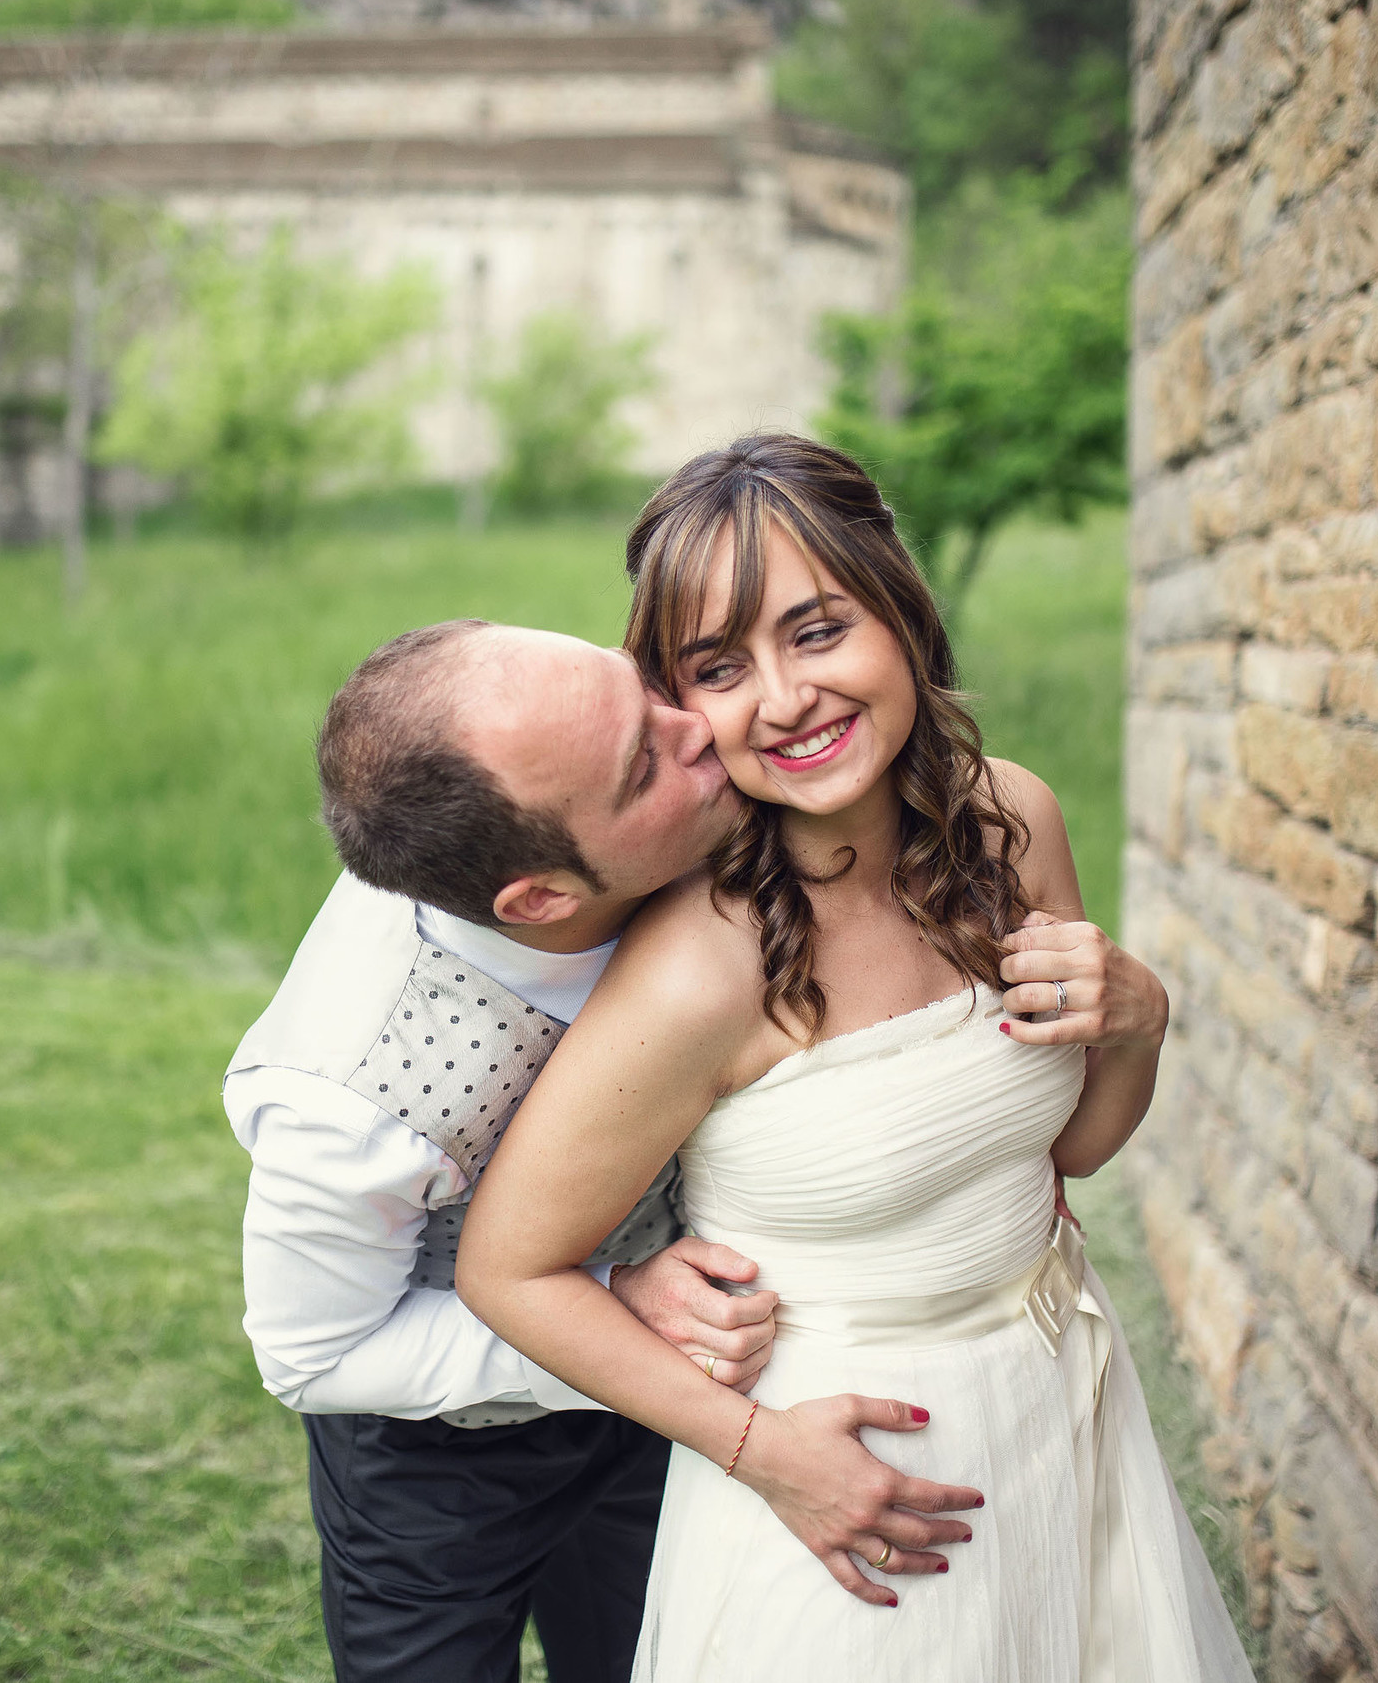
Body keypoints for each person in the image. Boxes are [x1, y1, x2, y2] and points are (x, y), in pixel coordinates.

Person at [456, 435, 1254, 1680]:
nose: (782, 700)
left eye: (817, 631)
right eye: (720, 667)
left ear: (899, 610)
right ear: (680, 704)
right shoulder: (700, 967)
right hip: (852, 1491)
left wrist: (1138, 1019)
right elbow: (511, 1268)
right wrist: (763, 1450)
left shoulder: (1011, 819)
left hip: (1062, 1412)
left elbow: (1074, 1148)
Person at [225, 619, 984, 1683]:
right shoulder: (346, 1098)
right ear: (540, 899)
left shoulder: (644, 797)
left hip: (683, 1384)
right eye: (644, 762)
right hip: (446, 1459)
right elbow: (314, 1355)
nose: (702, 730)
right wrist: (603, 1305)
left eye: (643, 692)